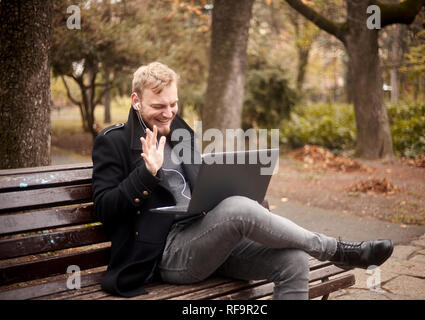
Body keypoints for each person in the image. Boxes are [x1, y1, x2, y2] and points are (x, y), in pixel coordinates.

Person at [92, 61, 394, 299]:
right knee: (237, 208)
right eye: (158, 106)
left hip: (210, 239)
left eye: (173, 104)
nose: (168, 112)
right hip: (166, 254)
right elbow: (105, 209)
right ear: (136, 101)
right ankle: (336, 250)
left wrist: (238, 187)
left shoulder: (181, 132)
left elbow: (201, 189)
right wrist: (146, 174)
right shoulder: (114, 142)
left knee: (294, 262)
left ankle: (329, 250)